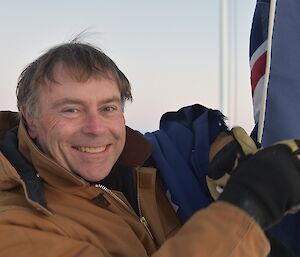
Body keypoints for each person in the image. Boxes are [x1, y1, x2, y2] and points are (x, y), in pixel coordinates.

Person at [0, 40, 300, 257]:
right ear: (30, 118)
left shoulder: (141, 171)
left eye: (107, 108)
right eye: (71, 110)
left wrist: (219, 148)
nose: (95, 128)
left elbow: (183, 136)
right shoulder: (15, 221)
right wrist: (249, 205)